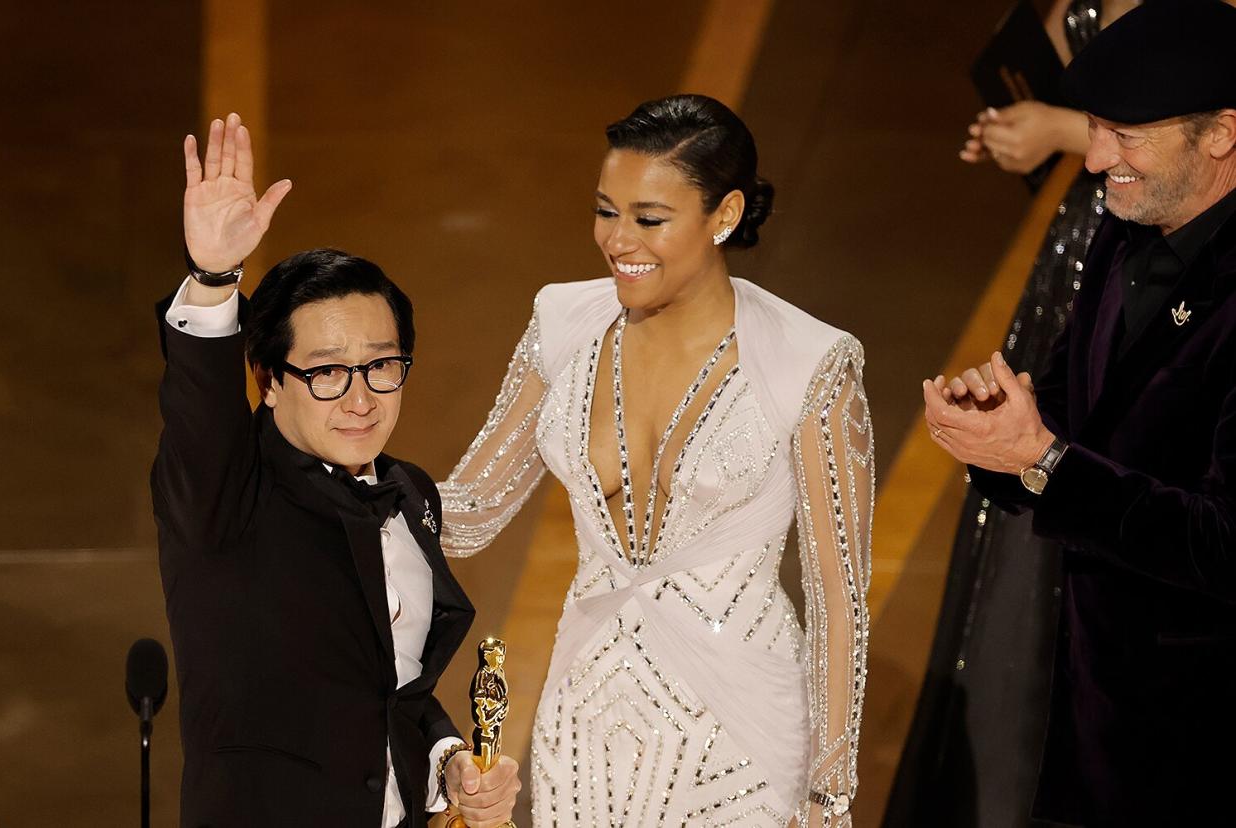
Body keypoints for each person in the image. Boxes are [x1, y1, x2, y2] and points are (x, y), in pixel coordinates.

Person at [438, 94, 875, 826]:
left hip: (741, 738)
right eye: (605, 211)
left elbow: (840, 599)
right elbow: (469, 514)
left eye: (649, 219)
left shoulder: (811, 363)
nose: (617, 241)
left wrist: (830, 794)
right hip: (584, 726)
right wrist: (329, 474)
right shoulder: (564, 324)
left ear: (725, 215)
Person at [151, 113, 519, 828]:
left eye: (381, 366)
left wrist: (448, 763)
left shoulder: (409, 491)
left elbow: (388, 687)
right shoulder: (226, 495)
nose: (360, 398)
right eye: (325, 371)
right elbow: (198, 411)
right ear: (268, 378)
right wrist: (214, 278)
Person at [922, 2, 1236, 823]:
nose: (1096, 159)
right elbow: (1065, 418)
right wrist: (995, 434)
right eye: (1093, 129)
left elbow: (1224, 545)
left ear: (1221, 133)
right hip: (1095, 730)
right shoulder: (1122, 232)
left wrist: (1045, 462)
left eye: (1124, 136)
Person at [885, 3, 1137, 825]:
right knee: (1024, 534)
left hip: (1152, 259)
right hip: (1078, 256)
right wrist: (1015, 123)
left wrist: (1061, 129)